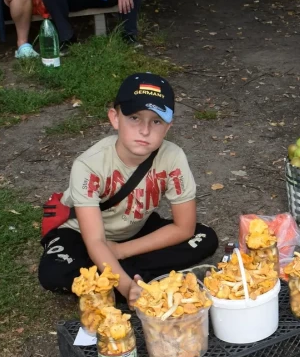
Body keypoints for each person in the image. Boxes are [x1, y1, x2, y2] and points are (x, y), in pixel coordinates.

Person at [38, 73, 219, 304]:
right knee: (54, 273)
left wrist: (122, 251)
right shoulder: (88, 165)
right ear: (115, 118)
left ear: (168, 127)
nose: (145, 130)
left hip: (133, 231)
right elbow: (94, 240)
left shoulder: (173, 157)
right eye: (134, 118)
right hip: (82, 234)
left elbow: (184, 228)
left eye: (156, 121)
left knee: (204, 238)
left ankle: (107, 276)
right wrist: (125, 288)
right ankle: (130, 279)